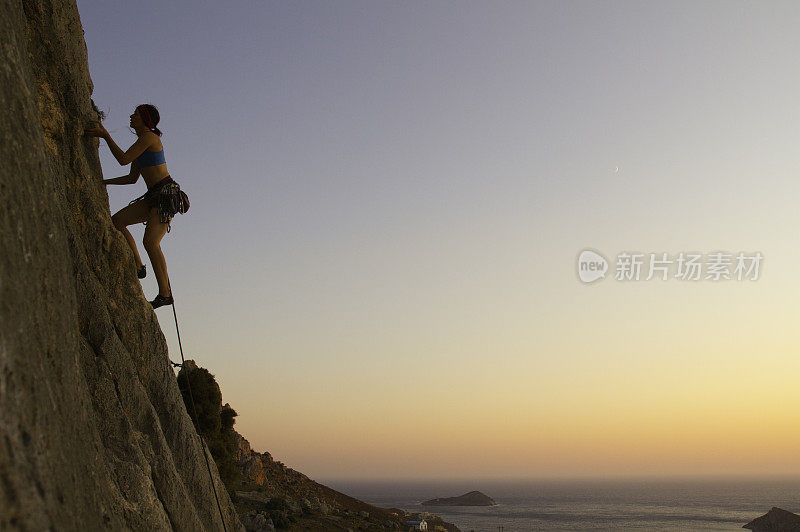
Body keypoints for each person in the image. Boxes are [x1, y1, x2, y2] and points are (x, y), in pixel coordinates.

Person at [85, 104, 176, 309]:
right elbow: (132, 178)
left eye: (135, 114)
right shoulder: (142, 142)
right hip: (155, 196)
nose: (131, 116)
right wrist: (103, 182)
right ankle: (138, 265)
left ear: (144, 119)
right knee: (118, 221)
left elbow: (123, 160)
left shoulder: (149, 138)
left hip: (165, 195)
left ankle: (165, 294)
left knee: (151, 242)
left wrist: (105, 135)